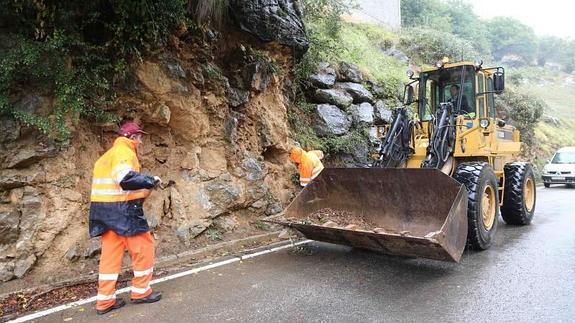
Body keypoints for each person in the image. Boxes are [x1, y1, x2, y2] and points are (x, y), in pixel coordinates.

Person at [89, 121, 162, 315]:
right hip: (124, 212)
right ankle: (141, 292)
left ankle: (104, 301)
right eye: (139, 137)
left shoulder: (106, 157)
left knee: (110, 256)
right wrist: (150, 180)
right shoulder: (124, 152)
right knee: (144, 248)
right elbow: (124, 179)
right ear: (130, 137)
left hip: (103, 212)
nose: (141, 141)